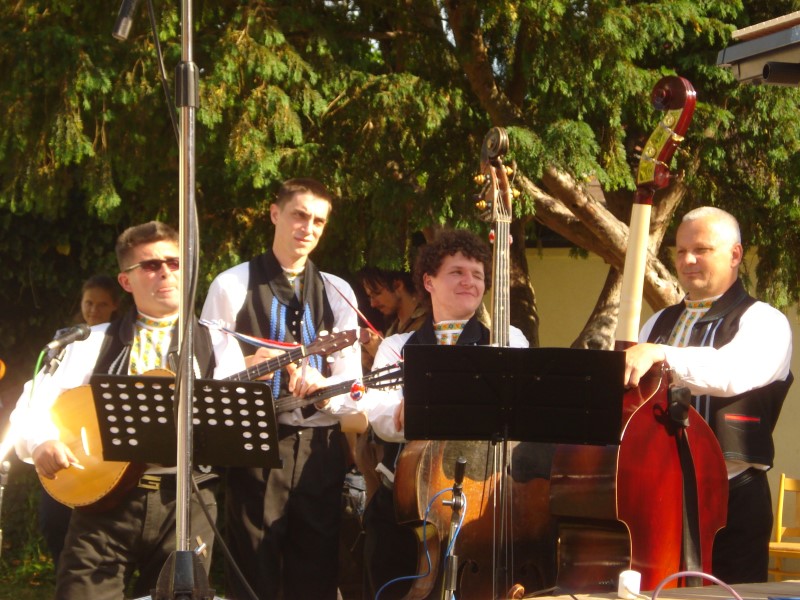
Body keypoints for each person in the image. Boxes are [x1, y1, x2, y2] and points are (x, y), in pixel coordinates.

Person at [11, 221, 246, 599]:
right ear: (125, 281)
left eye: (174, 262)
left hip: (186, 502)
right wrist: (41, 441)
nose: (166, 272)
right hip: (103, 500)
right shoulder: (92, 341)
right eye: (151, 265)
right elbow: (34, 398)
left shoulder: (219, 343)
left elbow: (234, 423)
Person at [200, 177, 362, 600]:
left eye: (318, 221)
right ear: (275, 214)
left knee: (317, 575)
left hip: (320, 448)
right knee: (254, 573)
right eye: (299, 215)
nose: (308, 228)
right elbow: (210, 377)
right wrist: (246, 368)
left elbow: (353, 387)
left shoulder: (338, 292)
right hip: (255, 445)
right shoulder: (231, 285)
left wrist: (324, 386)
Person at [624, 206, 793, 584]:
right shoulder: (658, 322)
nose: (687, 260)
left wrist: (661, 354)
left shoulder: (765, 320)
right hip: (659, 495)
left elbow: (732, 372)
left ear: (735, 255)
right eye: (682, 251)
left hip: (733, 496)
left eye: (701, 250)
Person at [361, 229, 529, 599]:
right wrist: (405, 411)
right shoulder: (397, 346)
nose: (470, 281)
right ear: (429, 281)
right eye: (457, 272)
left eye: (478, 274)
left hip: (483, 503)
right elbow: (378, 412)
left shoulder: (509, 339)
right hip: (404, 508)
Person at [38, 274, 121, 570]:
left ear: (115, 306)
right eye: (89, 303)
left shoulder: (120, 343)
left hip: (102, 454)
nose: (94, 310)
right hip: (67, 442)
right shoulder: (67, 339)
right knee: (53, 520)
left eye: (102, 305)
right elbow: (44, 393)